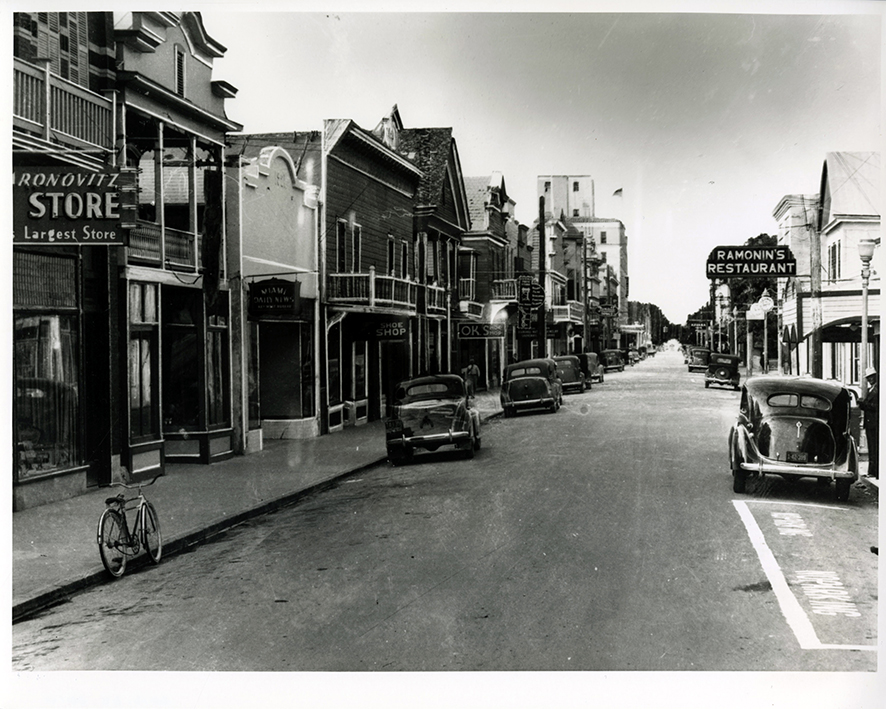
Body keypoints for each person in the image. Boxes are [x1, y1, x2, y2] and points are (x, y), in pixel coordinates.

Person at [859, 366, 879, 479]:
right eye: (868, 378)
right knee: (871, 447)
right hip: (869, 422)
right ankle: (872, 470)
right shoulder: (870, 390)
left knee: (874, 447)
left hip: (874, 423)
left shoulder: (877, 390)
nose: (869, 379)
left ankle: (874, 471)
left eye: (871, 377)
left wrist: (864, 404)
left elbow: (876, 407)